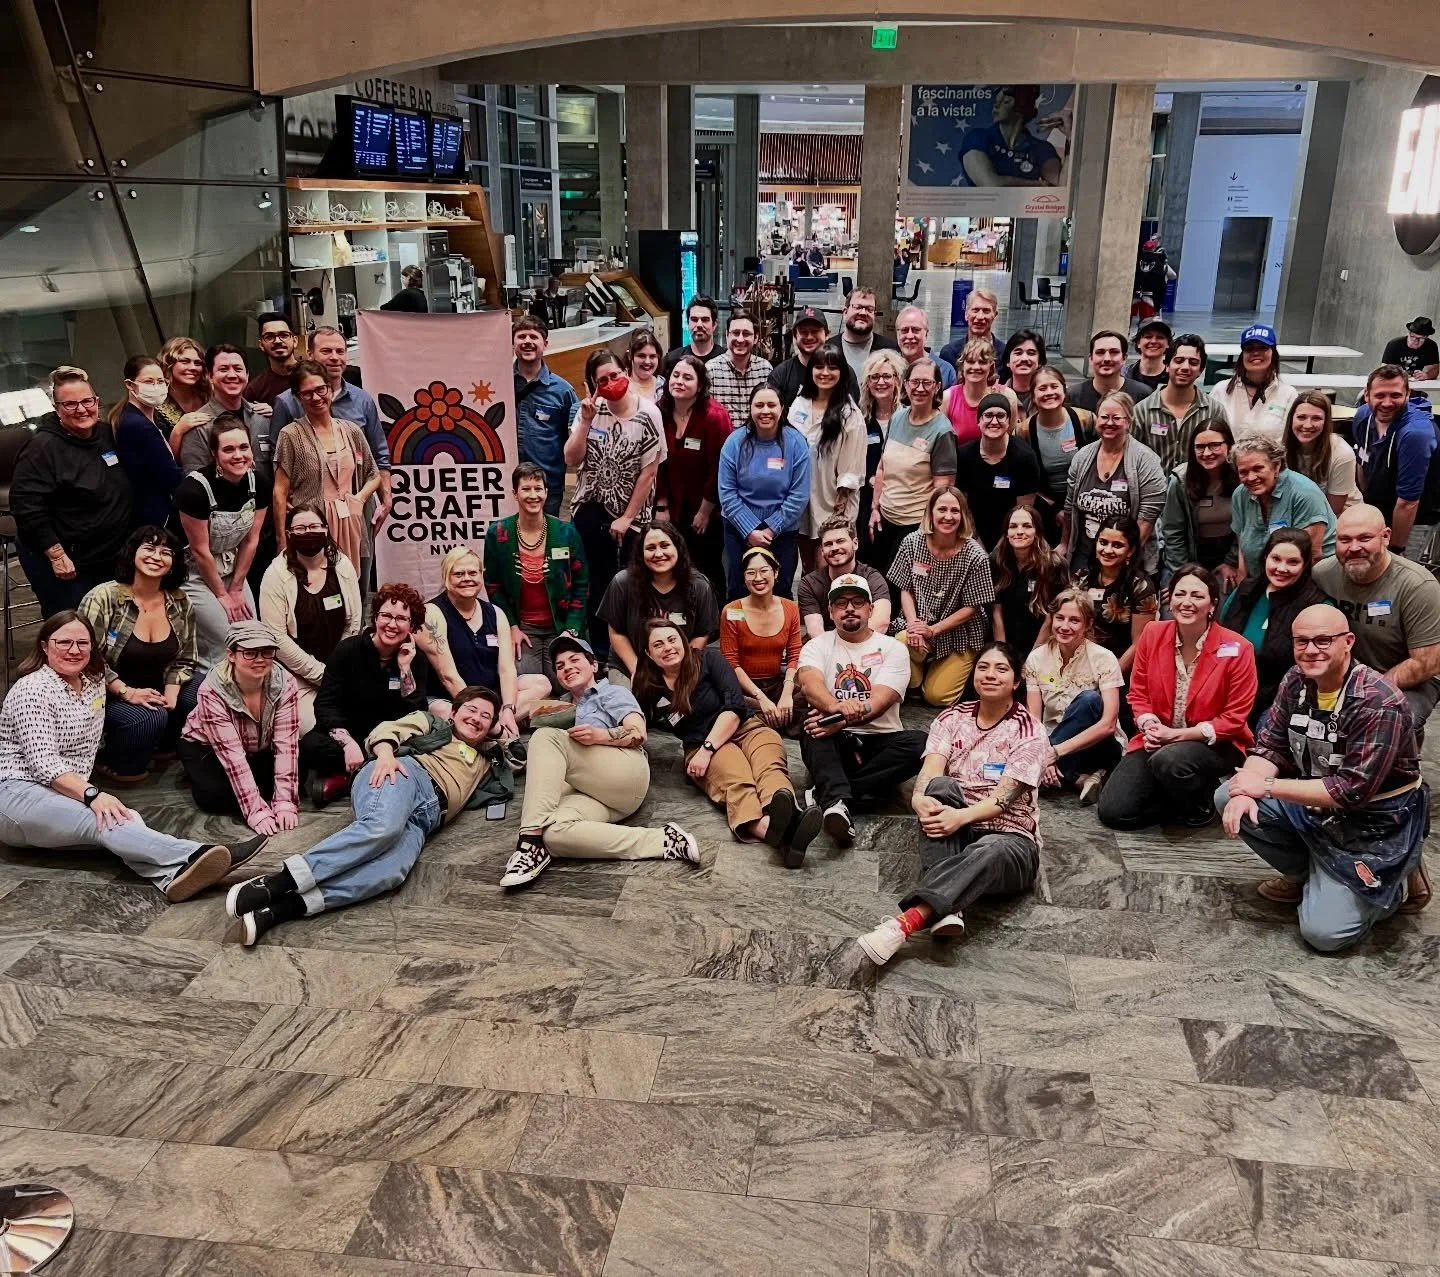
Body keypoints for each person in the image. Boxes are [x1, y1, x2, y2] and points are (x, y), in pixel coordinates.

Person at [0, 612, 261, 901]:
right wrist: (93, 795)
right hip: (17, 796)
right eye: (63, 643)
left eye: (82, 643)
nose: (74, 650)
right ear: (45, 646)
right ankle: (198, 853)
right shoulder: (32, 690)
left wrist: (131, 693)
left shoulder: (93, 680)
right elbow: (45, 765)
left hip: (64, 797)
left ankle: (172, 878)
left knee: (127, 820)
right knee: (105, 820)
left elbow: (112, 682)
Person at [227, 687, 514, 944]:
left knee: (392, 871)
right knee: (382, 827)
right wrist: (387, 755)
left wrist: (499, 731)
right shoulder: (433, 724)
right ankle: (276, 883)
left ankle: (281, 909)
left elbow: (518, 755)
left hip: (426, 819)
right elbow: (386, 730)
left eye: (485, 716)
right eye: (471, 709)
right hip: (404, 775)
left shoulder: (487, 760)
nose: (476, 718)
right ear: (454, 711)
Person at [1218, 603, 1431, 946]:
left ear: (1348, 641)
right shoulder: (1295, 680)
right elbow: (1270, 746)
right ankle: (1309, 873)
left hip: (1374, 822)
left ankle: (1398, 883)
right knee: (1230, 795)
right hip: (1317, 806)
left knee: (1325, 935)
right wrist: (1247, 788)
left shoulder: (1379, 701)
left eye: (1322, 640)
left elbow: (1350, 791)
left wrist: (1267, 785)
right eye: (1301, 642)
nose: (1310, 650)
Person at [855, 641, 1049, 964]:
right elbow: (932, 766)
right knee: (940, 786)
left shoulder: (1029, 731)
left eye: (1001, 669)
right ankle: (949, 907)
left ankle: (906, 923)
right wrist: (918, 798)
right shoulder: (952, 717)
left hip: (1011, 841)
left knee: (990, 849)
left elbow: (1004, 799)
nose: (989, 675)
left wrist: (959, 819)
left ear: (1016, 681)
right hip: (957, 826)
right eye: (983, 667)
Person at [499, 635, 700, 886]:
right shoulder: (555, 708)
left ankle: (529, 843)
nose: (567, 667)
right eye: (560, 666)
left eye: (574, 660)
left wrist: (601, 736)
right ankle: (665, 841)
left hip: (627, 774)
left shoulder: (611, 693)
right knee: (552, 834)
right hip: (593, 794)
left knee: (545, 737)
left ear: (593, 665)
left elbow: (638, 733)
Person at [632, 619, 818, 859]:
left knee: (769, 764)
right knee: (739, 781)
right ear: (648, 653)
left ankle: (783, 816)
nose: (667, 647)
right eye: (658, 644)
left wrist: (708, 748)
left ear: (683, 642)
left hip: (745, 727)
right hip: (700, 745)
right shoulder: (648, 687)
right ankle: (789, 834)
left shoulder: (709, 660)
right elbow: (634, 719)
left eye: (671, 640)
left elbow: (735, 706)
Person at [1097, 564, 1257, 829]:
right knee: (1115, 813)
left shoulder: (1238, 648)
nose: (1187, 602)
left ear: (1213, 604)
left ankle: (1200, 801)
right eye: (1180, 594)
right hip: (1156, 739)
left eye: (1197, 596)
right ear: (1169, 599)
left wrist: (1176, 736)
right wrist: (1149, 725)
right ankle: (1178, 797)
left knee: (1168, 760)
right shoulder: (1153, 634)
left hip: (1216, 744)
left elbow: (1234, 719)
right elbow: (1137, 693)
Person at [795, 572, 926, 839]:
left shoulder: (893, 649)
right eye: (841, 603)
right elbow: (810, 684)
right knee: (812, 725)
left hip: (881, 741)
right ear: (831, 611)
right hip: (835, 739)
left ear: (870, 608)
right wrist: (835, 710)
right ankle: (837, 801)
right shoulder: (816, 645)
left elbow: (880, 701)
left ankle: (831, 795)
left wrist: (840, 718)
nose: (850, 609)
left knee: (922, 744)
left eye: (857, 601)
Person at [78, 526, 199, 784]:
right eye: (149, 548)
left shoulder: (180, 601)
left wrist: (171, 695)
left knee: (206, 691)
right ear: (133, 552)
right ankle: (114, 762)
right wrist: (127, 692)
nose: (157, 556)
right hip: (107, 691)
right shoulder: (104, 597)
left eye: (166, 552)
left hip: (158, 685)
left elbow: (186, 657)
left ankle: (166, 744)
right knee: (148, 719)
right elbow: (85, 659)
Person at [564, 348, 665, 658]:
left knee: (631, 580)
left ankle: (632, 647)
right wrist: (585, 421)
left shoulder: (649, 413)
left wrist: (627, 517)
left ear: (626, 372)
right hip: (591, 506)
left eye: (615, 375)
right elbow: (571, 458)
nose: (611, 382)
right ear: (593, 384)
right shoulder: (590, 410)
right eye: (602, 379)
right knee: (595, 579)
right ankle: (598, 647)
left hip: (632, 512)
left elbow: (649, 472)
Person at [11, 368, 134, 616]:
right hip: (68, 562)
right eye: (70, 404)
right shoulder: (42, 449)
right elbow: (27, 506)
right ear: (57, 409)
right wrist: (56, 555)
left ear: (97, 402)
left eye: (87, 401)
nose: (81, 409)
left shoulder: (106, 433)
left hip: (112, 556)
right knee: (74, 632)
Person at [1313, 503, 1440, 734]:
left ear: (1386, 537)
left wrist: (1365, 692)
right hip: (1342, 675)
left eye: (1364, 538)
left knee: (1388, 723)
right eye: (1344, 539)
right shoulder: (1322, 574)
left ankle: (1405, 766)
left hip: (1409, 678)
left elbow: (1426, 662)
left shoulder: (1418, 586)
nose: (1354, 547)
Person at [299, 582, 430, 805]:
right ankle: (366, 773)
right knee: (311, 746)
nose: (391, 624)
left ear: (412, 625)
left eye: (401, 619)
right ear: (375, 618)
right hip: (348, 735)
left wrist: (405, 669)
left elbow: (416, 713)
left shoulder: (416, 659)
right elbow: (325, 705)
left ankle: (345, 780)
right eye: (386, 616)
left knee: (421, 746)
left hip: (388, 739)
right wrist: (348, 744)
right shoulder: (347, 650)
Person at [267, 328, 392, 537]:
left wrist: (384, 499)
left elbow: (379, 455)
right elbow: (277, 460)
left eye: (340, 351)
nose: (335, 357)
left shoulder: (363, 400)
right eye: (326, 351)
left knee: (358, 568)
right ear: (310, 354)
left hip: (357, 508)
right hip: (309, 512)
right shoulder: (286, 403)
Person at [179, 620, 301, 832]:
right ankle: (194, 773)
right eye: (250, 653)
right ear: (231, 655)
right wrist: (255, 812)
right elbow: (233, 757)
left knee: (296, 772)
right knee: (212, 797)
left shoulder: (285, 683)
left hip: (257, 748)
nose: (260, 660)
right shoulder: (211, 691)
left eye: (267, 652)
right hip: (207, 748)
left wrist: (285, 802)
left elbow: (286, 745)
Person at [174, 415, 270, 668]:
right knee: (225, 638)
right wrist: (222, 595)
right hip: (195, 570)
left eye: (243, 447)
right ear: (214, 454)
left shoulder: (258, 482)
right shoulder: (194, 490)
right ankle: (210, 698)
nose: (238, 455)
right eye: (228, 449)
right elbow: (200, 550)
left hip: (233, 566)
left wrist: (237, 588)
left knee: (252, 635)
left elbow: (252, 539)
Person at [271, 359, 380, 582]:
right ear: (298, 397)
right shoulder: (290, 435)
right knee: (317, 587)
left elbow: (373, 474)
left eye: (321, 389)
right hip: (311, 527)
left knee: (352, 588)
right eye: (307, 393)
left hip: (350, 521)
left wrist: (359, 499)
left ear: (330, 389)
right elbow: (279, 493)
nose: (316, 397)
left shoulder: (351, 431)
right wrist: (282, 540)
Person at [420, 546, 550, 732]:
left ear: (481, 575)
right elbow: (448, 677)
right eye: (459, 574)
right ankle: (494, 728)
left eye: (473, 573)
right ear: (446, 577)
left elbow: (506, 670)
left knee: (541, 684)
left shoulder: (496, 613)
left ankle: (497, 723)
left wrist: (508, 708)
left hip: (490, 695)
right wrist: (478, 711)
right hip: (450, 698)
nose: (467, 579)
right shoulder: (432, 614)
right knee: (443, 710)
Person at [258, 503, 362, 734]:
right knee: (311, 727)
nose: (308, 533)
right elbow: (277, 638)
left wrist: (337, 668)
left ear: (326, 529)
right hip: (296, 673)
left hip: (341, 668)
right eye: (301, 528)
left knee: (361, 717)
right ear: (288, 534)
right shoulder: (275, 575)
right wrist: (320, 674)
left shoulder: (343, 566)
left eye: (314, 526)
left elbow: (353, 622)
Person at [483, 462, 588, 689]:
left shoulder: (565, 532)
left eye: (538, 489)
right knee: (527, 685)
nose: (533, 495)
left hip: (561, 627)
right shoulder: (498, 533)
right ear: (515, 493)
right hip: (523, 628)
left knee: (566, 685)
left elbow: (582, 585)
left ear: (546, 492)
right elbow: (493, 586)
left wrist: (572, 630)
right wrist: (511, 627)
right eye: (526, 489)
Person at [889, 486, 996, 706]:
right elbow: (905, 588)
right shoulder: (911, 542)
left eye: (955, 511)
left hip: (960, 632)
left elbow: (972, 607)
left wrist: (934, 630)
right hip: (918, 623)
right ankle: (918, 674)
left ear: (963, 515)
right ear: (931, 512)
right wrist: (913, 624)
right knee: (901, 647)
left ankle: (938, 670)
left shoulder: (975, 555)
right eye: (942, 509)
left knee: (937, 697)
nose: (948, 516)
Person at [1024, 589, 1123, 802]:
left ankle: (1042, 773)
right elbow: (1033, 720)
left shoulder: (1104, 659)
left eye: (1074, 620)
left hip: (1097, 745)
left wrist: (1052, 753)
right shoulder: (1036, 658)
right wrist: (1047, 753)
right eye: (1059, 618)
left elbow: (1108, 725)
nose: (1065, 626)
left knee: (1089, 699)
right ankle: (1081, 779)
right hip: (1053, 742)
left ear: (1087, 625)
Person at [1222, 528, 1326, 724]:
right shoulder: (1246, 590)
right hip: (1231, 689)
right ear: (1265, 558)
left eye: (1293, 562)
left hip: (1282, 699)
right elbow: (1219, 638)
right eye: (1276, 559)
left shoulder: (1315, 604)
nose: (1282, 568)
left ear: (1305, 566)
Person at [717, 383, 811, 601]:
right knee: (739, 589)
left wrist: (770, 530)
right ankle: (739, 634)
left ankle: (779, 634)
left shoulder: (796, 443)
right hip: (739, 530)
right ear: (750, 408)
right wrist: (750, 530)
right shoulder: (734, 442)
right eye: (759, 405)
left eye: (771, 405)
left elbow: (799, 495)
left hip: (782, 531)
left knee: (781, 588)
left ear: (782, 409)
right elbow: (727, 493)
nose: (765, 411)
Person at [868, 357, 960, 576]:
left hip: (915, 526)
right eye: (914, 382)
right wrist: (874, 508)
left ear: (937, 387)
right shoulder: (898, 418)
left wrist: (926, 531)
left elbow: (942, 489)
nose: (920, 388)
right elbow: (882, 468)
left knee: (906, 588)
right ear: (905, 384)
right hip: (885, 520)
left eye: (927, 383)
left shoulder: (942, 431)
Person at [655, 354, 732, 605]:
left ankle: (712, 620)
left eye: (687, 377)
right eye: (675, 375)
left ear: (700, 386)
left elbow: (720, 467)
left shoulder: (714, 416)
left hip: (708, 506)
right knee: (676, 563)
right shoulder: (659, 411)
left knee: (707, 564)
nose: (679, 381)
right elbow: (657, 462)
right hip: (673, 504)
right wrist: (662, 504)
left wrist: (705, 510)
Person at [1061, 390, 1166, 574]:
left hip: (1127, 559)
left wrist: (1120, 559)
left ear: (1129, 422)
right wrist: (1064, 544)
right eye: (1104, 417)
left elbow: (1148, 517)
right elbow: (1070, 508)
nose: (1109, 423)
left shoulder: (1146, 460)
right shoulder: (1082, 457)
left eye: (1116, 418)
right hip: (1084, 555)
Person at [599, 521, 719, 677]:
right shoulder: (622, 583)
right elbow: (616, 633)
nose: (658, 554)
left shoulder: (699, 586)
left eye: (664, 545)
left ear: (678, 547)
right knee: (624, 701)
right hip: (629, 666)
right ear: (641, 554)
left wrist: (677, 669)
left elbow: (701, 634)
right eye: (650, 548)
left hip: (680, 667)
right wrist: (637, 670)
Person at [788, 345, 866, 568]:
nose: (825, 372)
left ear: (842, 372)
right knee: (809, 569)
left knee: (830, 568)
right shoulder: (799, 404)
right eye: (819, 366)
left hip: (833, 502)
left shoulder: (850, 414)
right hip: (802, 502)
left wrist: (837, 517)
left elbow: (851, 470)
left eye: (832, 367)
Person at [1350, 365, 1439, 560]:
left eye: (1396, 395)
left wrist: (1396, 550)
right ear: (1367, 395)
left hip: (1413, 518)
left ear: (1408, 394)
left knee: (1398, 577)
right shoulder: (1363, 416)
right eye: (1380, 395)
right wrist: (1367, 510)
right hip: (1377, 510)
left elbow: (1408, 503)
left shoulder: (1415, 434)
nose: (1387, 403)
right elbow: (1362, 462)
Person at [1230, 434, 1336, 583]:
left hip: (1310, 579)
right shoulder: (1240, 495)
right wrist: (1242, 590)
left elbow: (1312, 555)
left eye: (1258, 468)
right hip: (1264, 579)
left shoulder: (1304, 493)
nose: (1251, 477)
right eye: (1243, 472)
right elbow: (1243, 547)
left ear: (1276, 466)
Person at [722, 547, 803, 729]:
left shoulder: (790, 608)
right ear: (744, 577)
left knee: (810, 696)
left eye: (764, 571)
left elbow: (794, 654)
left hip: (777, 684)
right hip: (744, 689)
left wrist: (787, 692)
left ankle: (770, 720)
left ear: (775, 573)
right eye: (751, 573)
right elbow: (731, 661)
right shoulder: (733, 611)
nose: (758, 578)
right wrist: (760, 698)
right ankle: (769, 721)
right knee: (730, 706)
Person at [171, 344, 274, 482]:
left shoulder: (263, 418)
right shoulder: (199, 426)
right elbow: (195, 485)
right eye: (223, 369)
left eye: (238, 369)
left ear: (247, 375)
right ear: (210, 376)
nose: (232, 375)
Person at [510, 315, 580, 516]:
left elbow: (573, 440)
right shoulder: (499, 382)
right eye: (521, 336)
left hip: (547, 486)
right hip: (507, 484)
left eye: (534, 337)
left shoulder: (563, 391)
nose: (527, 342)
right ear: (513, 343)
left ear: (545, 344)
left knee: (546, 539)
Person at [1072, 514, 1158, 676]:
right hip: (1080, 664)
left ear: (1130, 551)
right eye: (1103, 543)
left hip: (1120, 669)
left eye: (1117, 545)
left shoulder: (1141, 586)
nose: (1108, 550)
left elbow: (1139, 643)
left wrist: (1108, 678)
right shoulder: (1081, 577)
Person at [956, 393, 1041, 551]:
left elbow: (1023, 511)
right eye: (988, 415)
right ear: (978, 421)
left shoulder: (1024, 458)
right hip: (975, 534)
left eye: (1000, 416)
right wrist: (974, 540)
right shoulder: (964, 455)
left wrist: (1004, 547)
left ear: (1009, 421)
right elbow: (963, 504)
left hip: (1013, 536)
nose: (994, 421)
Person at [1131, 333, 1227, 473]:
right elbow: (1131, 458)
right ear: (1167, 365)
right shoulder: (1142, 411)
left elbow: (1224, 456)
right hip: (1154, 492)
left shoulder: (1214, 411)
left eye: (1193, 363)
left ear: (1200, 370)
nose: (1185, 367)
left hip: (1198, 491)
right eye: (1179, 360)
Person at [1160, 420, 1240, 586]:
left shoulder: (1242, 476)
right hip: (1188, 556)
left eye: (1215, 445)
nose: (1207, 452)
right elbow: (1173, 532)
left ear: (1229, 446)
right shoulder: (1180, 481)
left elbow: (1247, 526)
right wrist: (1183, 574)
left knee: (1224, 605)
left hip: (1230, 555)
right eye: (1200, 447)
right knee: (1175, 605)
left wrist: (1231, 562)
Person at [1024, 366, 1096, 543]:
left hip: (1087, 500)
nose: (1049, 393)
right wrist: (1056, 509)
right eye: (1042, 388)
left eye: (1054, 386)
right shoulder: (1024, 431)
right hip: (1046, 505)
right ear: (1033, 395)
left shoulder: (1086, 420)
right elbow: (1027, 479)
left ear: (1064, 389)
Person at [112, 354, 183, 529]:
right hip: (155, 514)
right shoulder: (137, 425)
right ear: (130, 385)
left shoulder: (153, 419)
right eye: (149, 382)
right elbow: (170, 476)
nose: (156, 387)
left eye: (161, 381)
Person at [990, 504, 1069, 658]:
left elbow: (1053, 616)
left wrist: (1034, 657)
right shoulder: (996, 560)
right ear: (1006, 533)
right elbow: (996, 612)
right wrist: (1003, 655)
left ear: (1037, 532)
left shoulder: (1054, 564)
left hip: (1044, 644)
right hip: (1006, 640)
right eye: (1013, 526)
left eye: (1027, 526)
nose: (1019, 532)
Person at [798, 516, 893, 639]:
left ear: (855, 543)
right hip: (827, 647)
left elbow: (881, 623)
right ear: (822, 551)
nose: (835, 548)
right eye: (828, 544)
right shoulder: (810, 583)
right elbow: (815, 630)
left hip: (869, 643)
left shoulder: (872, 577)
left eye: (840, 541)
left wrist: (852, 648)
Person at [1210, 323, 1296, 439]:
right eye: (1250, 349)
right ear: (1242, 355)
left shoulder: (1288, 395)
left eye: (1262, 348)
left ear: (1273, 353)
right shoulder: (1220, 390)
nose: (1256, 353)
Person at [1282, 392, 1362, 517]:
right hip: (1299, 510)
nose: (1307, 425)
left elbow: (1333, 510)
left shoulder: (1341, 454)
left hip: (1341, 516)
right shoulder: (1279, 448)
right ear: (1291, 418)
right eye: (1301, 417)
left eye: (1316, 418)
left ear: (1326, 422)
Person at [770, 307, 857, 410]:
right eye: (803, 332)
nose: (809, 337)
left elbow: (853, 415)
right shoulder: (780, 375)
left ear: (827, 334)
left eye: (815, 331)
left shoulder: (845, 372)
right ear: (794, 336)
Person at [941, 339, 1018, 448]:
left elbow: (1009, 436)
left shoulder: (1007, 396)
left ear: (991, 366)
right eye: (971, 361)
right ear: (962, 365)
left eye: (982, 362)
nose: (976, 367)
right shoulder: (947, 398)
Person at [707, 312, 775, 426]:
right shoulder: (711, 370)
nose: (740, 339)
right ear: (727, 335)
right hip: (723, 441)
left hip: (757, 441)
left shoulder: (765, 369)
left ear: (756, 338)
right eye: (736, 333)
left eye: (746, 334)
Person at [826, 287, 899, 386]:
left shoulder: (890, 350)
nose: (863, 313)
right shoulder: (827, 348)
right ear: (845, 312)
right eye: (858, 307)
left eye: (869, 309)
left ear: (875, 315)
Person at [1067, 331, 1152, 413]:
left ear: (1124, 358)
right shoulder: (1072, 396)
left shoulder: (1143, 395)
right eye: (1100, 352)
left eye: (1114, 352)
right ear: (1090, 358)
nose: (1107, 358)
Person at [895, 306, 957, 389]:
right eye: (904, 330)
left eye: (916, 330)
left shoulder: (945, 371)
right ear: (897, 334)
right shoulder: (888, 369)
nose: (910, 336)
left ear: (926, 334)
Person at [940, 288, 1004, 368]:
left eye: (986, 311)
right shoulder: (949, 353)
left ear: (995, 315)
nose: (980, 317)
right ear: (966, 314)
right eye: (975, 310)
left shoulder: (1006, 354)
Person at [660, 295, 722, 377]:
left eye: (705, 320)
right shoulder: (672, 359)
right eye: (694, 320)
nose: (699, 324)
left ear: (714, 325)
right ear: (688, 323)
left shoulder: (725, 358)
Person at [246, 312, 299, 406]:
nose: (277, 341)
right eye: (269, 337)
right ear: (261, 345)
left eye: (283, 335)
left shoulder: (314, 376)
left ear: (294, 341)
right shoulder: (255, 389)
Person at [155, 336, 208, 431]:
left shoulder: (208, 395)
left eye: (198, 363)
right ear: (168, 364)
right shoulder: (155, 405)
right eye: (185, 362)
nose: (193, 368)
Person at [997, 328, 1044, 414]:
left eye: (1031, 353)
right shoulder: (996, 396)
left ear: (1040, 362)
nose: (1024, 359)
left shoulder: (1049, 395)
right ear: (1008, 361)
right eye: (1018, 353)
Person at [1381, 316, 1439, 382]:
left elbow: (1435, 369)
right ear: (1408, 333)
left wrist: (1426, 375)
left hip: (1419, 385)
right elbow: (1384, 368)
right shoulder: (1394, 344)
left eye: (1421, 339)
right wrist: (1398, 374)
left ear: (1426, 337)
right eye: (1412, 337)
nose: (1416, 341)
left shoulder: (1431, 346)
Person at [1126, 318, 1172, 392]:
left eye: (1160, 337)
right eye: (1148, 337)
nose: (1153, 341)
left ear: (1168, 344)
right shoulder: (1125, 375)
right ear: (1138, 343)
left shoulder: (1173, 378)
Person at [624, 328, 664, 401]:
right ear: (630, 356)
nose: (647, 362)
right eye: (641, 356)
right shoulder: (622, 387)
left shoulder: (664, 386)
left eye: (652, 356)